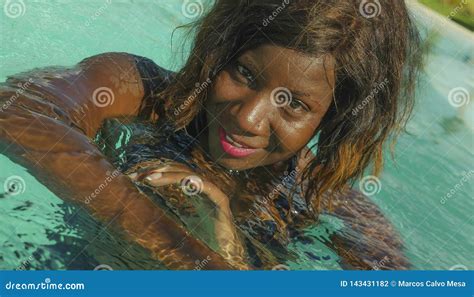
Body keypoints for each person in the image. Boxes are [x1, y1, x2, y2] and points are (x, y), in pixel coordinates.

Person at [0, 0, 421, 269]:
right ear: (219, 50)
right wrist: (188, 252)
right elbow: (17, 110)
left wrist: (230, 246)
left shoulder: (317, 194)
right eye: (244, 73)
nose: (249, 119)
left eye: (293, 104)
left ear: (333, 120)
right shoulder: (139, 92)